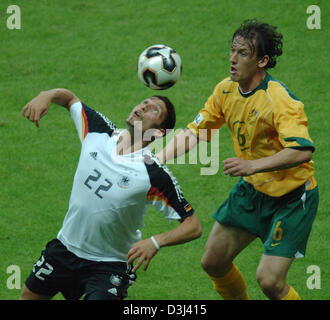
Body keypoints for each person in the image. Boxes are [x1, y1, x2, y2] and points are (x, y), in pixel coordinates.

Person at [157, 19, 318, 300]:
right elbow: (196, 132)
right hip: (252, 191)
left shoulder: (278, 99)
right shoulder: (225, 91)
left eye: (243, 53)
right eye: (232, 50)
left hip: (292, 199)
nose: (233, 59)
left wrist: (252, 165)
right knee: (213, 262)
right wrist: (156, 160)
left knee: (269, 281)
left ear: (262, 61)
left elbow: (302, 150)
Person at [20, 88, 202, 300]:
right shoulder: (98, 131)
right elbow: (70, 99)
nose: (143, 106)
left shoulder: (153, 173)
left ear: (160, 132)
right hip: (65, 248)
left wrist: (155, 242)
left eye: (154, 109)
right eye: (144, 101)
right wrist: (47, 95)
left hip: (109, 265)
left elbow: (193, 225)